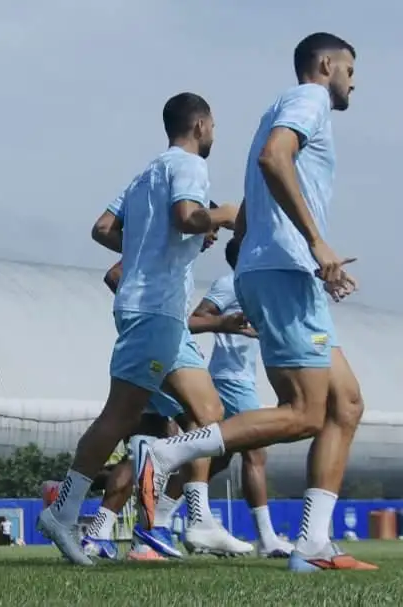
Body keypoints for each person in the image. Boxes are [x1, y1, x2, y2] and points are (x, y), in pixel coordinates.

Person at [137, 33, 375, 572]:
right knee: (305, 412)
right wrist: (314, 244)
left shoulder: (282, 108)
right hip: (284, 272)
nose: (353, 82)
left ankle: (313, 544)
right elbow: (273, 158)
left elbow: (255, 194)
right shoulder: (309, 99)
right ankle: (166, 452)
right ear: (326, 65)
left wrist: (262, 255)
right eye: (350, 70)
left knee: (346, 404)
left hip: (285, 272)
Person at [36, 92, 238, 566]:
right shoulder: (190, 165)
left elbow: (103, 228)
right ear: (201, 125)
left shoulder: (146, 174)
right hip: (152, 308)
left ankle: (192, 516)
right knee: (120, 416)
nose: (214, 134)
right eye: (213, 126)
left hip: (165, 315)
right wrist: (225, 214)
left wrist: (150, 243)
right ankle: (64, 511)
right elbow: (188, 216)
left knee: (210, 413)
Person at [190, 238, 294, 558]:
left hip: (243, 378)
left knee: (217, 459)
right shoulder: (229, 284)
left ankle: (162, 512)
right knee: (256, 451)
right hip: (229, 378)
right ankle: (268, 539)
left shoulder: (256, 285)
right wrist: (225, 325)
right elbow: (195, 318)